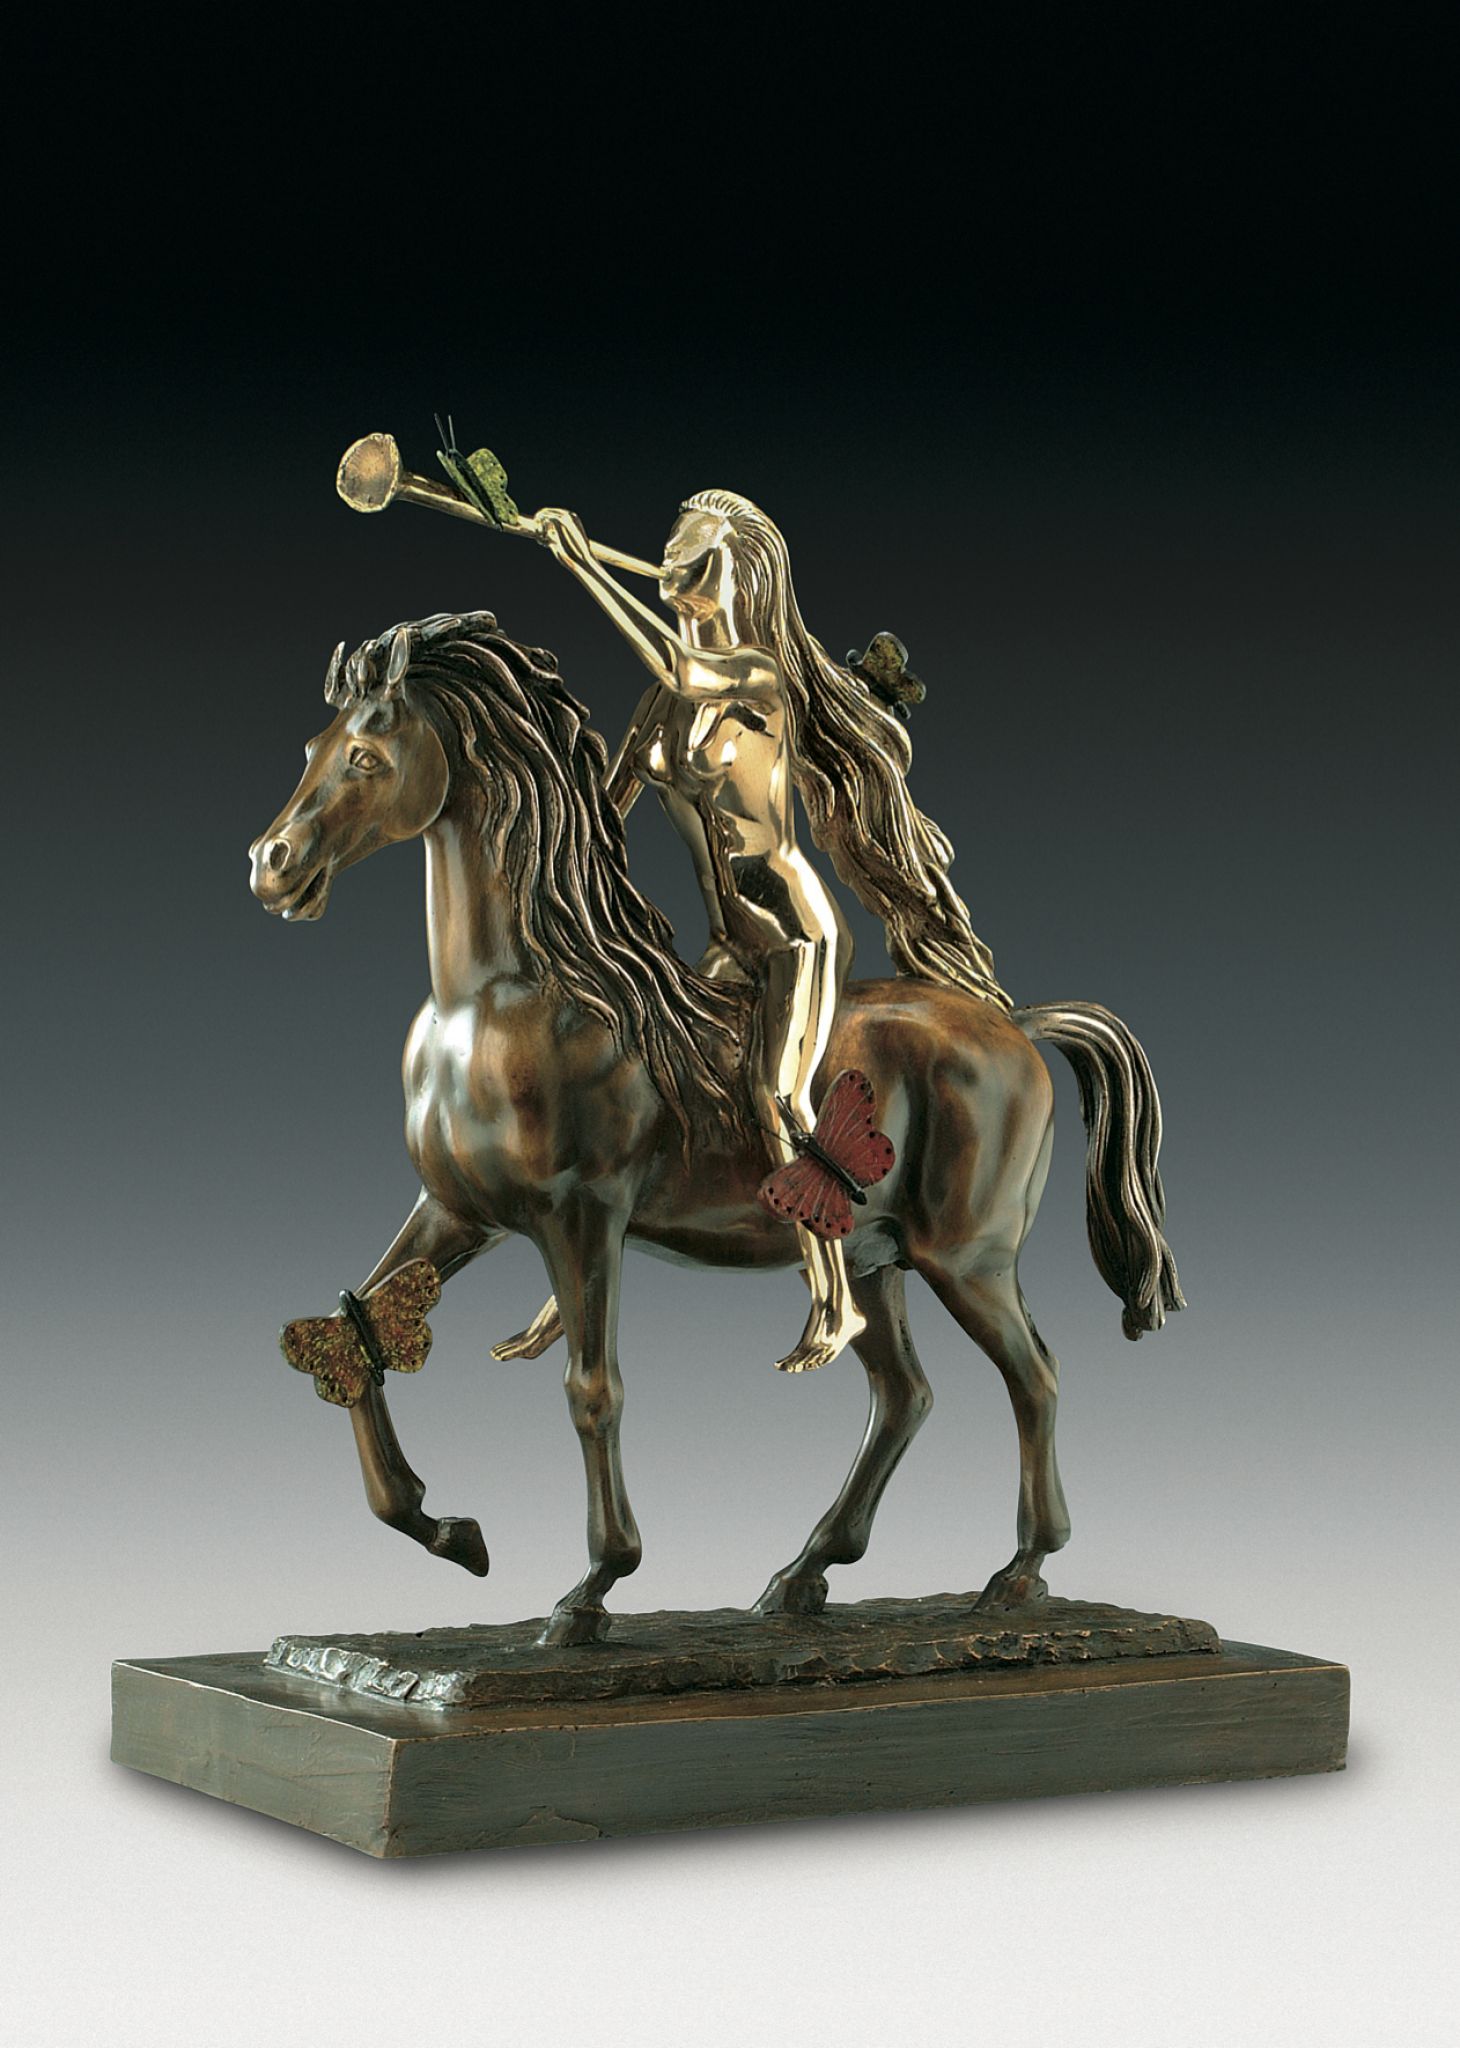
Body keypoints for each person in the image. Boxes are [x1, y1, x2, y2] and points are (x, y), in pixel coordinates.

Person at [530, 490, 1009, 1373]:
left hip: (792, 933)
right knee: (653, 1076)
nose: (676, 564)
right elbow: (603, 816)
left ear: (740, 576)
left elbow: (686, 669)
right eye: (673, 548)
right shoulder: (659, 706)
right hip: (726, 939)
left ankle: (834, 1296)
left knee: (776, 1095)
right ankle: (574, 1279)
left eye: (699, 556)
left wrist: (582, 565)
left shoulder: (753, 679)